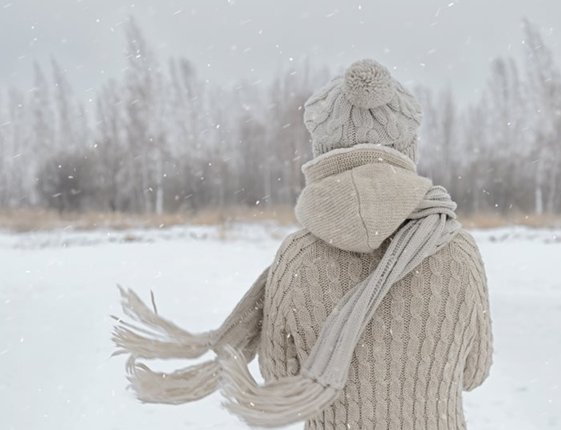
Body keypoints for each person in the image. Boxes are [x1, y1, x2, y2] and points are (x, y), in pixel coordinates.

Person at [112, 58, 494, 430]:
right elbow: (473, 371)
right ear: (408, 150)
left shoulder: (299, 257)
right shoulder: (456, 249)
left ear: (322, 152)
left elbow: (279, 373)